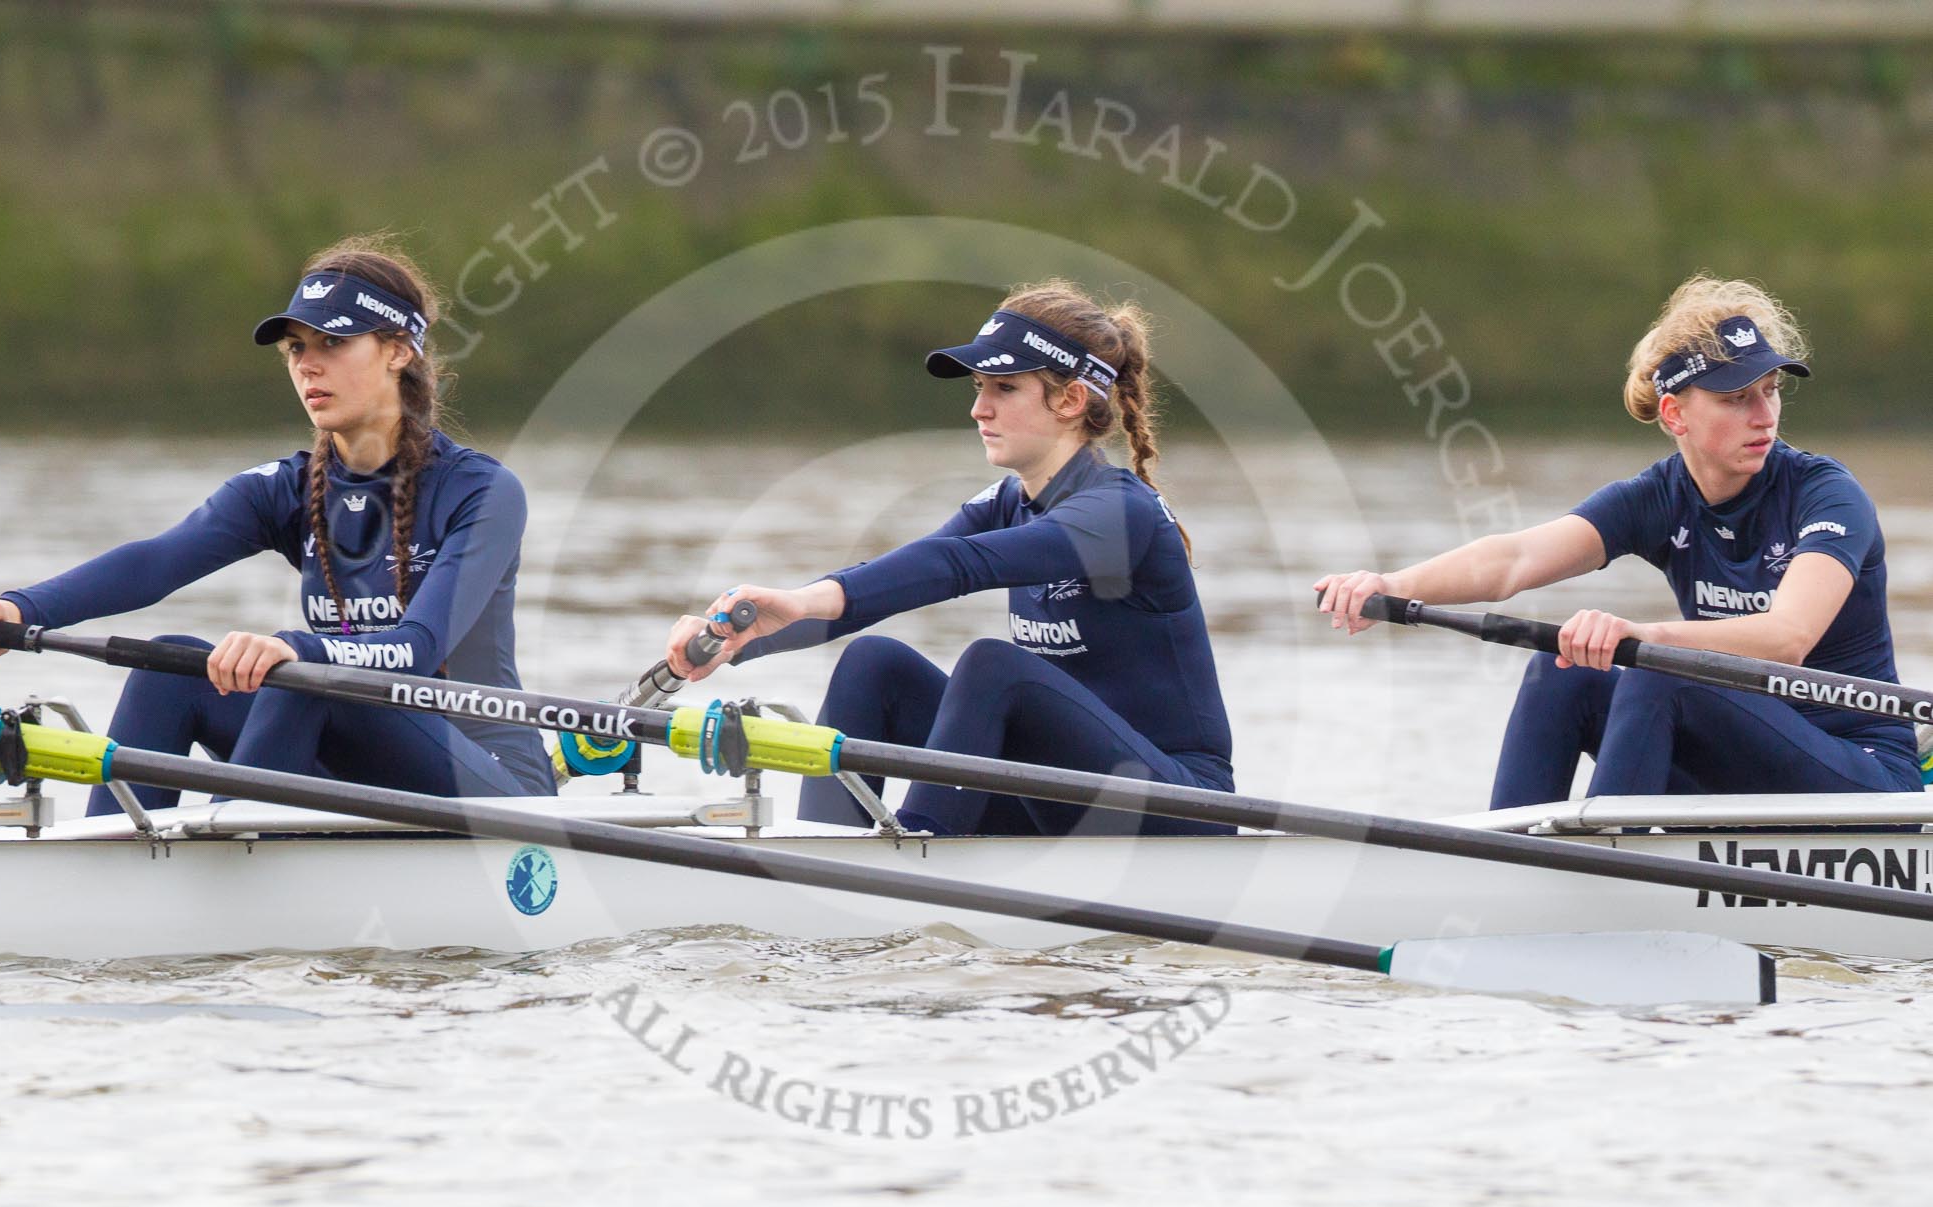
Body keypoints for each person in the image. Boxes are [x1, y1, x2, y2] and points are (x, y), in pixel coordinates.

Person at [0, 236, 554, 814]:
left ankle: (228, 855)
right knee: (167, 665)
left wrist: (299, 648)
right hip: (360, 752)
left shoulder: (482, 492)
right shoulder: (286, 487)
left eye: (333, 344)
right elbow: (154, 563)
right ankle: (109, 861)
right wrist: (19, 609)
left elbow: (419, 650)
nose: (308, 366)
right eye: (297, 349)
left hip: (491, 779)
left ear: (397, 351)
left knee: (301, 674)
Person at [1317, 273, 1919, 809]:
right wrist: (1391, 585)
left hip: (1861, 771)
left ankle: (1605, 869)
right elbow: (1514, 560)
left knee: (1658, 667)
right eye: (1735, 399)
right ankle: (1503, 864)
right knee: (1560, 670)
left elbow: (1788, 638)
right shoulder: (1659, 497)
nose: (1763, 415)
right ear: (1675, 415)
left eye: (1771, 390)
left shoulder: (1826, 493)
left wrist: (1645, 638)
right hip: (1746, 760)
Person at [661, 280, 1235, 837]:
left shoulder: (1118, 514)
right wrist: (739, 638)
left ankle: (914, 849)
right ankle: (826, 850)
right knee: (873, 664)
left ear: (1070, 399)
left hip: (1176, 804)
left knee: (992, 666)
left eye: (1004, 389)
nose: (979, 410)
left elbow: (959, 565)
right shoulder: (1011, 502)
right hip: (1063, 791)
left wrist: (806, 598)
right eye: (978, 388)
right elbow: (893, 578)